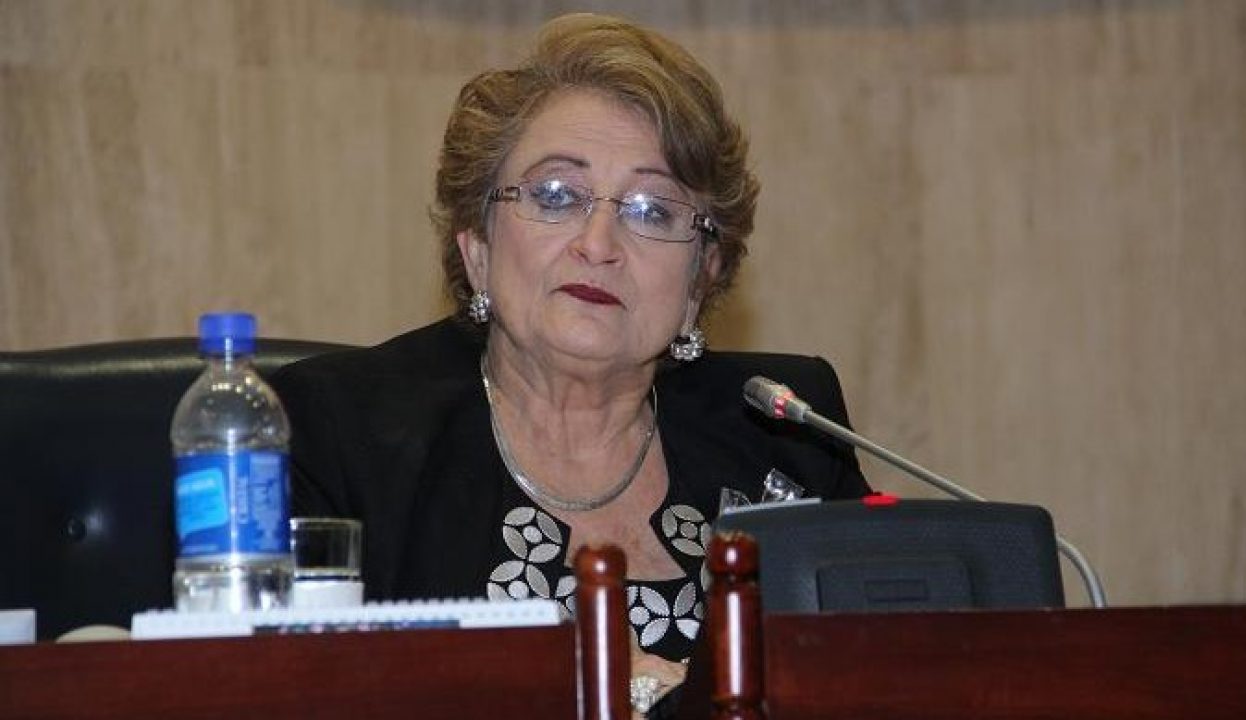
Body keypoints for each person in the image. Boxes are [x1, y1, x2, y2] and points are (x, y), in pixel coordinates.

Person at [271, 12, 870, 715]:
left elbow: (885, 680)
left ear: (701, 278)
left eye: (652, 211)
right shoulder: (335, 434)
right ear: (477, 246)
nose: (599, 244)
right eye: (556, 195)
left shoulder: (787, 436)